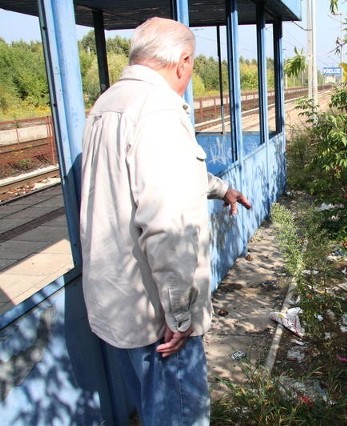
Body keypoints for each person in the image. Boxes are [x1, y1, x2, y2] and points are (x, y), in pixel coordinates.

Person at [79, 17, 251, 425]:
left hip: (115, 307)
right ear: (183, 61)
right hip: (157, 320)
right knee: (178, 414)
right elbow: (166, 225)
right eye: (191, 67)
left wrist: (220, 188)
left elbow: (154, 178)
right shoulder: (158, 112)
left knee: (152, 407)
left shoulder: (108, 104)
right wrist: (180, 316)